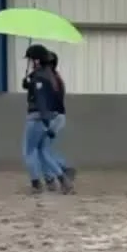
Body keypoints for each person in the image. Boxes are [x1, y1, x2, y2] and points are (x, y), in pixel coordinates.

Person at [22, 44, 72, 194]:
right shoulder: (50, 76)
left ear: (37, 60)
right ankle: (62, 179)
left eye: (32, 60)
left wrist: (45, 120)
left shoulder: (40, 77)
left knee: (29, 151)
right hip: (48, 117)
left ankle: (36, 184)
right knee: (43, 150)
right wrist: (28, 85)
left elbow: (41, 99)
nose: (31, 62)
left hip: (37, 117)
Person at [44, 52, 75, 187]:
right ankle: (57, 171)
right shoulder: (56, 77)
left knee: (42, 149)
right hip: (58, 116)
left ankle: (57, 173)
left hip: (54, 117)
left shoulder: (50, 78)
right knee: (44, 148)